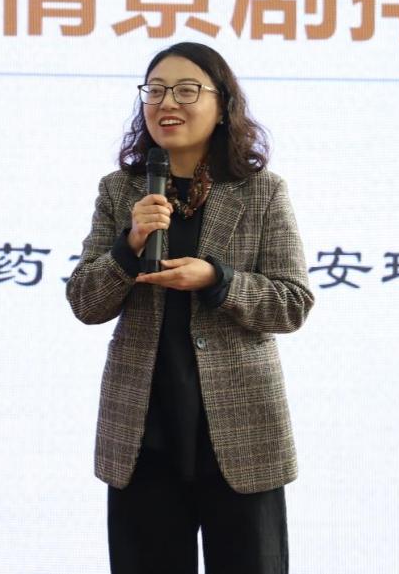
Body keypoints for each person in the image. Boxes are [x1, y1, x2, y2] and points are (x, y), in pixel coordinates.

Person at [66, 42, 313, 574]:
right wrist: (128, 246)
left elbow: (292, 303)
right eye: (155, 91)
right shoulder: (120, 192)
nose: (166, 103)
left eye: (185, 90)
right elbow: (85, 301)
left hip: (240, 430)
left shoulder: (261, 192)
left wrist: (218, 279)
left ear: (222, 106)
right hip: (144, 434)